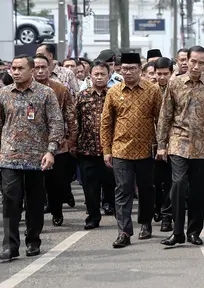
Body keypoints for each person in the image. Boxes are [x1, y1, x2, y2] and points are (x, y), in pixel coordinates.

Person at [0, 55, 64, 261]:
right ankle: (9, 245)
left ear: (31, 70)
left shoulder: (46, 94)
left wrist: (51, 150)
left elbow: (56, 123)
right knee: (10, 200)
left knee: (35, 201)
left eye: (20, 68)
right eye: (13, 68)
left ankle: (33, 240)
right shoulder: (3, 94)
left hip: (37, 158)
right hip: (9, 156)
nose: (16, 72)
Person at [157, 46, 204, 246]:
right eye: (193, 61)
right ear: (185, 61)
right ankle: (177, 232)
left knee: (199, 190)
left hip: (202, 145)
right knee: (178, 183)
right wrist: (161, 144)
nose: (196, 66)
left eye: (201, 63)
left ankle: (194, 231)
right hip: (178, 140)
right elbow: (165, 114)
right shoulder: (174, 83)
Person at [100, 53, 162, 248]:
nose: (127, 72)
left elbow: (160, 120)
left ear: (140, 70)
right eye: (124, 69)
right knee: (123, 190)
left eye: (132, 68)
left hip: (146, 149)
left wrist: (162, 145)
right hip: (120, 149)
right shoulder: (113, 91)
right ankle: (124, 231)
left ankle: (145, 223)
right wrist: (106, 149)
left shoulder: (152, 90)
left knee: (146, 190)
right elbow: (106, 122)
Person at [33, 54, 77, 227]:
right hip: (31, 146)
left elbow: (71, 116)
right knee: (34, 186)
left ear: (50, 67)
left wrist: (72, 140)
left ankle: (56, 210)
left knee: (56, 183)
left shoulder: (59, 89)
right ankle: (35, 222)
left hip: (58, 145)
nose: (41, 70)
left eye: (44, 66)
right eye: (37, 67)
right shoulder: (21, 90)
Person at [76, 60, 116, 230]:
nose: (99, 77)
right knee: (90, 187)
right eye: (96, 74)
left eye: (103, 74)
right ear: (90, 76)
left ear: (109, 76)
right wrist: (72, 142)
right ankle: (93, 217)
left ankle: (112, 206)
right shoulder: (82, 96)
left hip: (111, 149)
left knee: (111, 183)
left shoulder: (115, 94)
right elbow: (75, 120)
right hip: (87, 149)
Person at [152, 57, 174, 232]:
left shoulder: (176, 90)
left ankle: (167, 216)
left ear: (171, 73)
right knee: (154, 182)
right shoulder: (150, 91)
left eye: (165, 74)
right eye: (158, 74)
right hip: (151, 143)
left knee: (169, 182)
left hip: (172, 142)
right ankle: (157, 209)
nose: (162, 77)